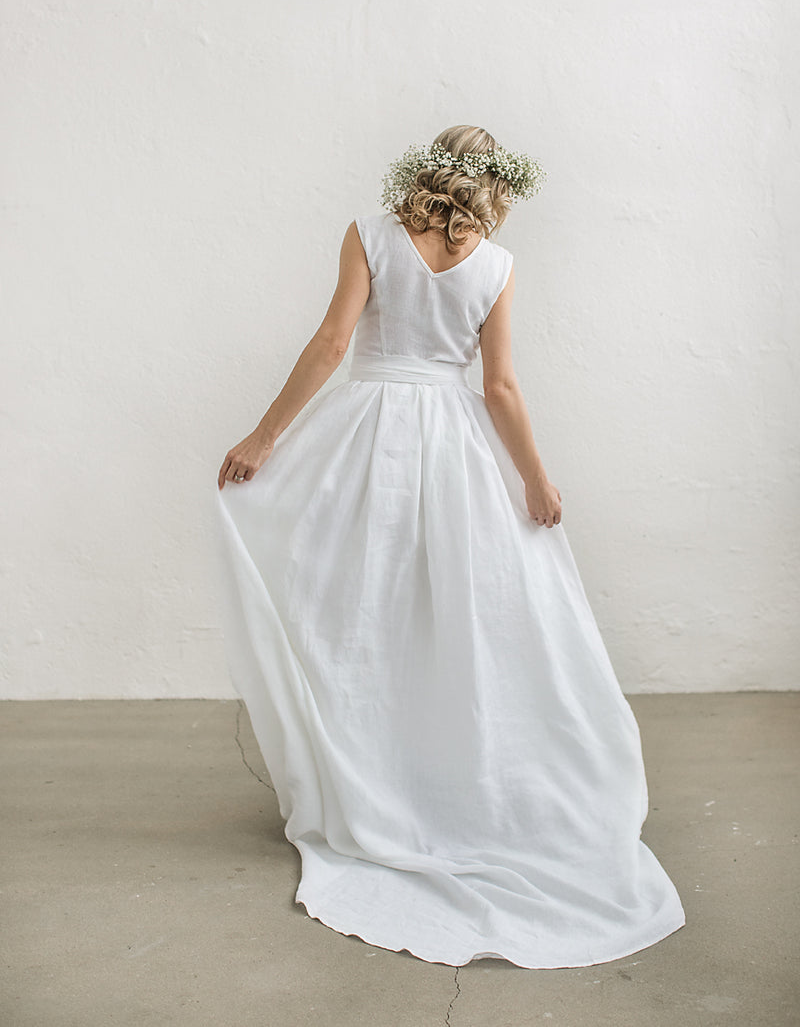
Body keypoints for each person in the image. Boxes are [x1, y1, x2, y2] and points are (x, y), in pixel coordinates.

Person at [214, 124, 686, 969]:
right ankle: (424, 783)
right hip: (453, 450)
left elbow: (331, 342)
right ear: (496, 180)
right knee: (461, 622)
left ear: (428, 164)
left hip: (364, 440)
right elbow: (498, 386)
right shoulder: (497, 264)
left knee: (354, 615)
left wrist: (266, 436)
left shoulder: (373, 232)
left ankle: (368, 785)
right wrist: (535, 478)